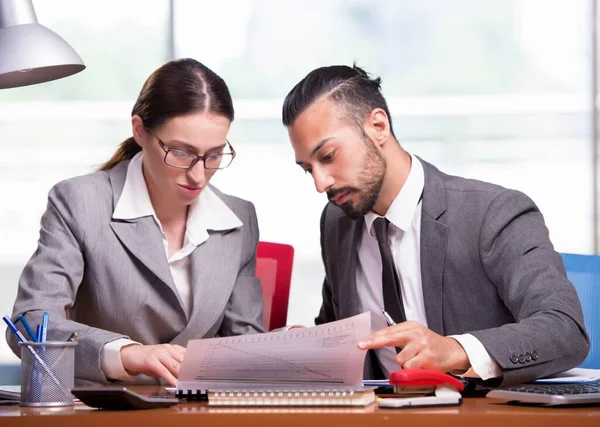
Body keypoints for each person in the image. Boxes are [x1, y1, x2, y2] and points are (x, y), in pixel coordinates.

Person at [281, 64, 589, 387]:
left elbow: (565, 328)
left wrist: (453, 349)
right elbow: (340, 331)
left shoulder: (491, 214)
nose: (320, 183)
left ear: (378, 126)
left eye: (328, 156)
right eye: (307, 169)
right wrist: (313, 346)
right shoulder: (337, 223)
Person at [6, 58, 264, 386]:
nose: (199, 175)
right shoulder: (79, 202)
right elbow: (29, 325)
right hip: (101, 412)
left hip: (199, 414)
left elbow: (244, 342)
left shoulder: (240, 219)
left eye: (214, 155)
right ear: (140, 131)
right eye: (181, 153)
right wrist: (127, 353)